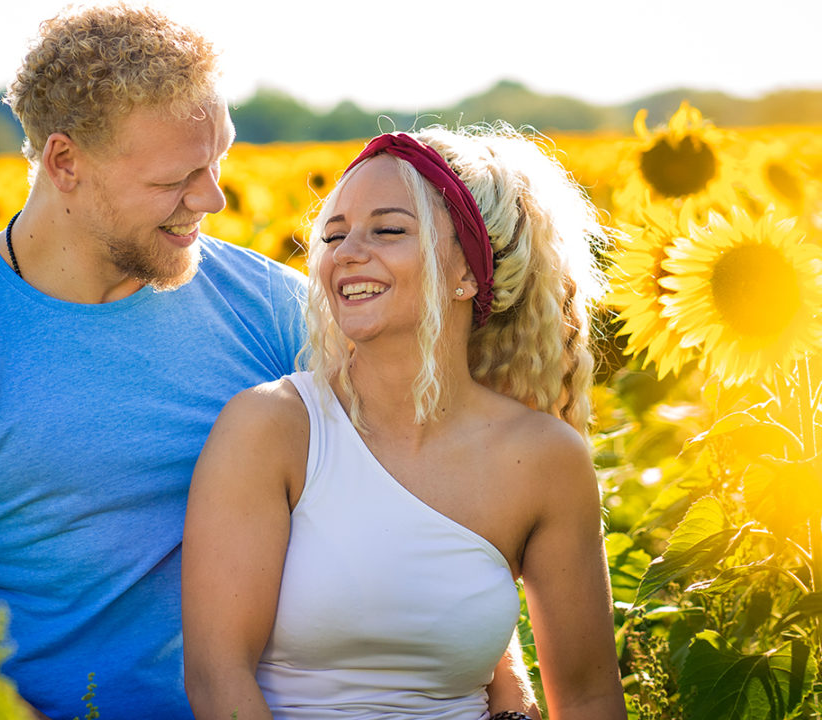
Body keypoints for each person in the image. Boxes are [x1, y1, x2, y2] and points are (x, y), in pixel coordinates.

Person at [0, 4, 535, 719]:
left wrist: (506, 690)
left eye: (219, 160)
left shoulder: (275, 310)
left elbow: (428, 508)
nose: (213, 197)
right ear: (65, 162)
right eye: (177, 177)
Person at [183, 127, 628, 719]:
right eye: (334, 234)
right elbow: (218, 677)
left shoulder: (544, 458)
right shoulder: (272, 428)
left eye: (388, 230)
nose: (345, 252)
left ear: (469, 271)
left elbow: (589, 697)